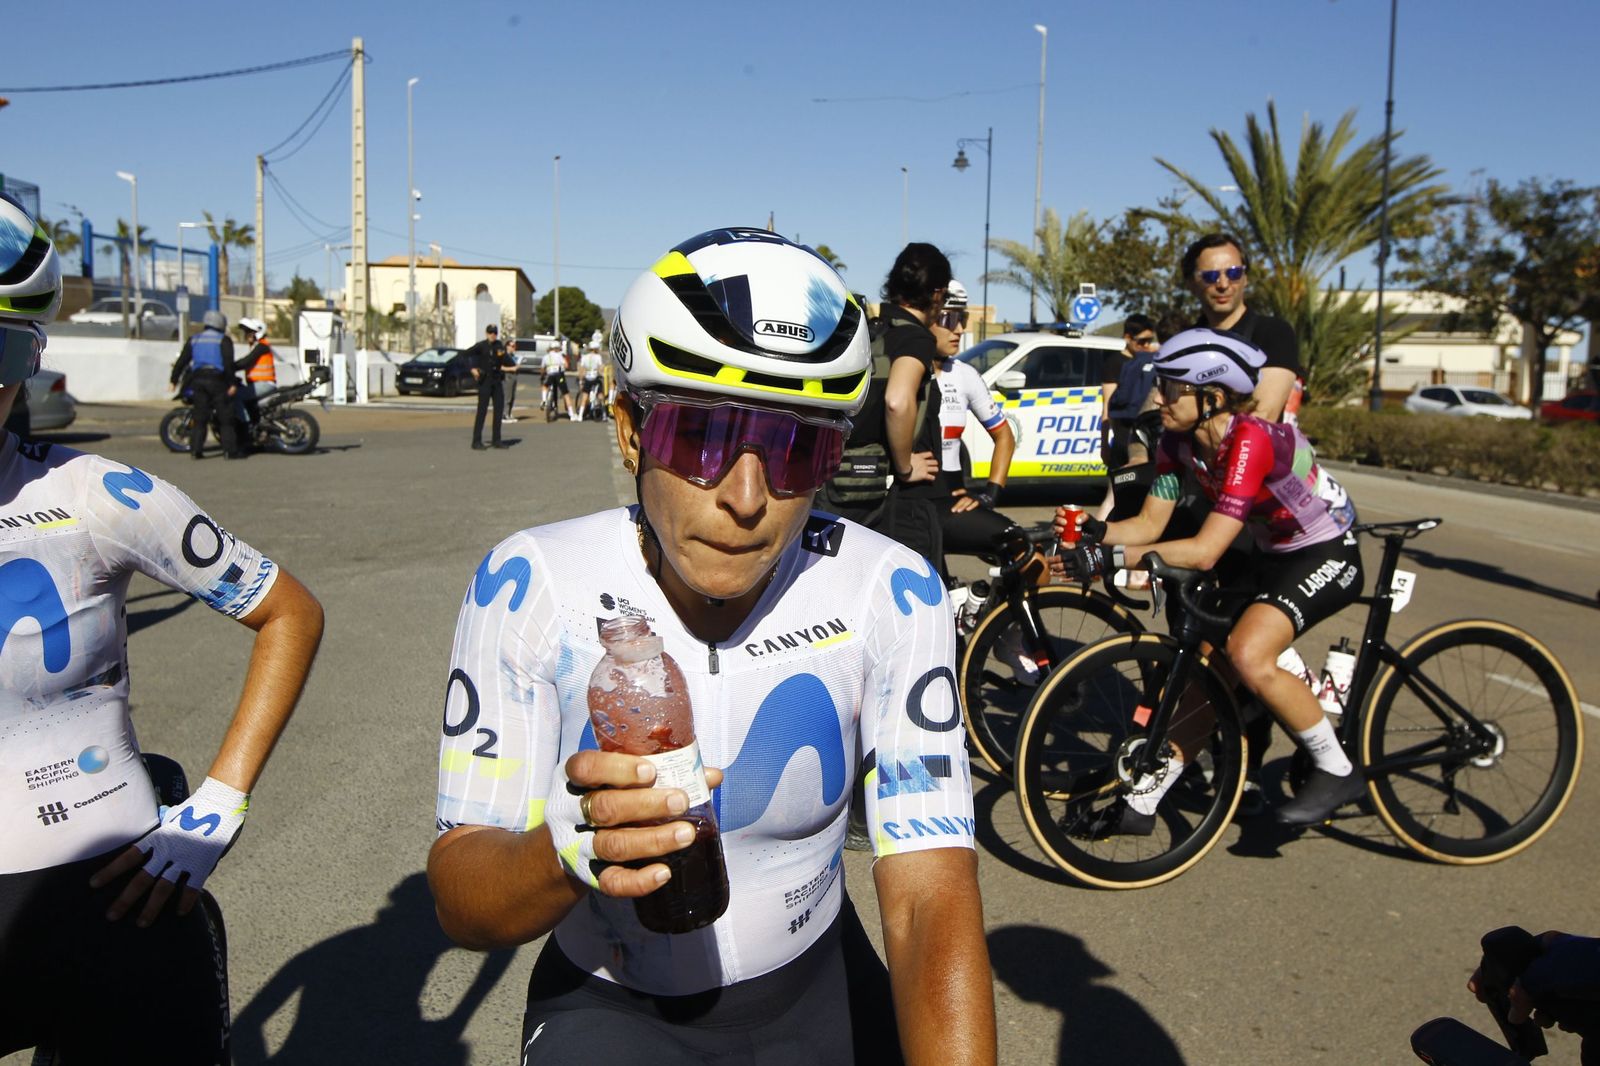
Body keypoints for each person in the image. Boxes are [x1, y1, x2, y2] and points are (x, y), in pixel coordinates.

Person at [428, 228, 996, 1065]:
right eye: (701, 438)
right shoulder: (529, 581)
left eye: (798, 450)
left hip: (818, 994)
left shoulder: (892, 589)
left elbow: (929, 896)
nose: (746, 498)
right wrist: (564, 852)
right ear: (629, 430)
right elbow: (461, 900)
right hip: (611, 1010)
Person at [0, 197, 325, 1064]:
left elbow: (289, 610)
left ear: (30, 359)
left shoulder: (95, 496)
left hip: (112, 902)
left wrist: (219, 803)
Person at [1056, 327, 1364, 832]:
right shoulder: (1178, 442)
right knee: (1208, 672)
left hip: (1327, 550)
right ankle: (1145, 801)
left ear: (1213, 397)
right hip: (1274, 552)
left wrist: (1109, 563)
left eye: (1171, 387)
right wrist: (1100, 533)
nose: (1158, 395)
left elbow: (1205, 552)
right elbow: (1150, 525)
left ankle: (1336, 769)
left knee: (1248, 652)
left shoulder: (1249, 441)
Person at [1183, 233, 1300, 421]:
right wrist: (1139, 450)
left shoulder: (1273, 333)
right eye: (1211, 276)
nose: (1223, 284)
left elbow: (1260, 419)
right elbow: (1151, 415)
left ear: (1245, 278)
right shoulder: (1184, 343)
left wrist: (1188, 419)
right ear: (1191, 283)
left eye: (1233, 273)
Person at [170, 308, 243, 460]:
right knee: (225, 418)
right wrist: (232, 384)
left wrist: (173, 380)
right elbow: (228, 364)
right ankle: (230, 451)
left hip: (198, 381)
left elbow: (182, 361)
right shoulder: (223, 340)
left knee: (200, 418)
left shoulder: (194, 339)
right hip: (218, 381)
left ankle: (196, 450)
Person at [464, 323, 510, 450]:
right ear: (486, 333)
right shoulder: (481, 346)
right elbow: (465, 354)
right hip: (485, 381)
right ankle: (476, 441)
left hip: (497, 381)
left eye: (494, 333)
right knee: (482, 411)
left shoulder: (499, 345)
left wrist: (511, 361)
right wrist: (472, 368)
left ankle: (497, 440)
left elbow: (504, 360)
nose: (492, 335)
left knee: (499, 410)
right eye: (490, 333)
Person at [235, 316, 276, 432]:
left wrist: (228, 367)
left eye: (249, 332)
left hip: (264, 384)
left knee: (235, 396)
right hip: (258, 383)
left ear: (258, 332)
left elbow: (246, 361)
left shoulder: (262, 346)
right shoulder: (257, 346)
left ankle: (246, 425)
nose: (246, 335)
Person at [540, 342, 574, 421]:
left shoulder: (545, 357)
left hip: (550, 374)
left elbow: (542, 368)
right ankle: (571, 414)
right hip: (559, 375)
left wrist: (542, 375)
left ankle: (544, 400)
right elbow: (566, 365)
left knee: (545, 386)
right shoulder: (559, 355)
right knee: (565, 394)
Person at [576, 342, 605, 420]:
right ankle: (604, 414)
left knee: (584, 396)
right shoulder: (598, 357)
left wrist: (581, 380)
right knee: (600, 395)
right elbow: (600, 368)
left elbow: (582, 370)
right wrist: (602, 374)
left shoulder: (584, 357)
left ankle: (580, 416)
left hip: (587, 377)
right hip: (595, 377)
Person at [501, 338, 520, 422]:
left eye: (515, 346)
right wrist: (511, 368)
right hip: (507, 376)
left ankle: (509, 413)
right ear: (507, 346)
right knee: (507, 396)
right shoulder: (503, 355)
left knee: (513, 396)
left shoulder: (513, 356)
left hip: (514, 375)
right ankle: (504, 415)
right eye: (512, 346)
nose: (514, 348)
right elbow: (500, 367)